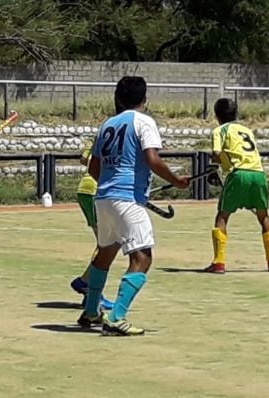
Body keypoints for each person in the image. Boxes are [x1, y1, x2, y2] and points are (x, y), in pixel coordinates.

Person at [78, 76, 190, 336]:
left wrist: (111, 186)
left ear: (117, 98)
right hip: (126, 198)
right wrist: (176, 180)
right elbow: (152, 159)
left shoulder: (107, 125)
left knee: (105, 254)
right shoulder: (144, 122)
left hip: (103, 198)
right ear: (145, 99)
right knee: (142, 257)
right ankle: (117, 317)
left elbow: (94, 167)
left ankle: (91, 310)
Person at [204, 98, 269, 274]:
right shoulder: (246, 130)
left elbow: (217, 153)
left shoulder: (219, 130)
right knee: (263, 215)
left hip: (238, 173)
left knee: (222, 216)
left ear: (217, 116)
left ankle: (219, 262)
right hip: (258, 173)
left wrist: (217, 163)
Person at [71, 140, 114, 311]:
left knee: (104, 243)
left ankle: (89, 287)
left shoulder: (99, 136)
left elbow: (83, 159)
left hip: (85, 189)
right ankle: (87, 285)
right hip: (97, 190)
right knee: (105, 245)